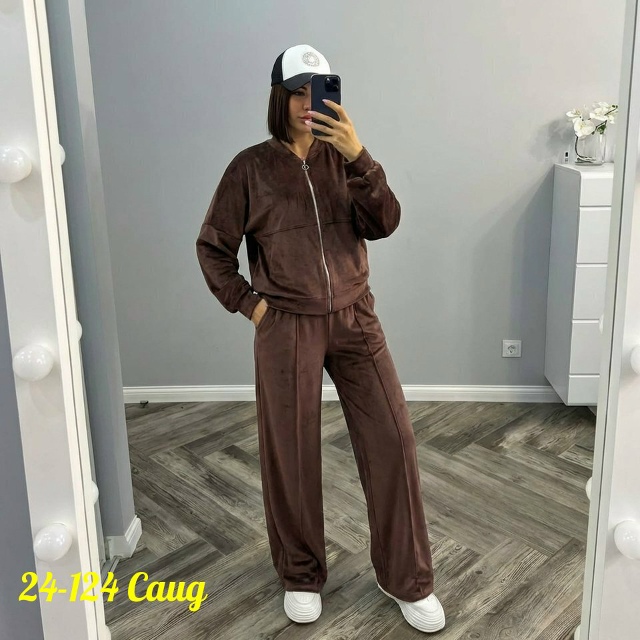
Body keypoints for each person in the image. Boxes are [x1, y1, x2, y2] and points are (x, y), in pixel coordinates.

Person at [195, 44, 445, 634]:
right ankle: (302, 575)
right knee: (291, 450)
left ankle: (406, 579)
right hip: (286, 324)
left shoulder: (345, 159)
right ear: (279, 97)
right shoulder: (249, 168)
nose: (310, 102)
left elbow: (385, 222)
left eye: (321, 89)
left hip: (356, 317)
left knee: (394, 439)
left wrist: (360, 157)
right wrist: (254, 308)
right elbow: (212, 248)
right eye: (299, 92)